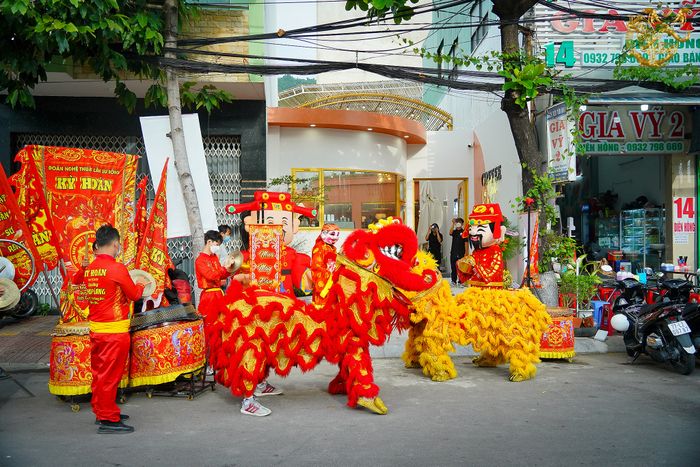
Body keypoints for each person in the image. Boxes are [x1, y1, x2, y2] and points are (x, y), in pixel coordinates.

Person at [195, 229, 282, 417]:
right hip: (209, 297)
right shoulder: (201, 260)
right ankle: (211, 363)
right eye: (217, 243)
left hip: (219, 294)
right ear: (210, 242)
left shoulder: (213, 259)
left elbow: (221, 276)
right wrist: (226, 268)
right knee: (212, 331)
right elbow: (212, 276)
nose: (219, 247)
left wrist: (229, 270)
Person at [81, 225, 145, 434]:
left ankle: (102, 410)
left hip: (97, 329)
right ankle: (108, 418)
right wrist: (142, 285)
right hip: (114, 332)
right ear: (116, 244)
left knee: (100, 373)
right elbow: (134, 295)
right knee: (109, 376)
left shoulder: (90, 268)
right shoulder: (116, 268)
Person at [310, 223, 340, 307]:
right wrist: (330, 274)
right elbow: (316, 267)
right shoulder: (319, 248)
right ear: (323, 234)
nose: (335, 237)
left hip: (332, 283)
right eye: (332, 234)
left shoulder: (332, 248)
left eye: (337, 235)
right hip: (325, 283)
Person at [449, 218, 467, 285]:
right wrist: (453, 224)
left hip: (461, 252)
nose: (458, 223)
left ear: (462, 224)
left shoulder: (464, 232)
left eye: (459, 222)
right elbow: (450, 233)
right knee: (453, 267)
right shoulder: (454, 231)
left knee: (461, 268)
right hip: (453, 252)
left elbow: (466, 243)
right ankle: (453, 281)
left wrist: (466, 252)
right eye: (457, 222)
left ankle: (460, 281)